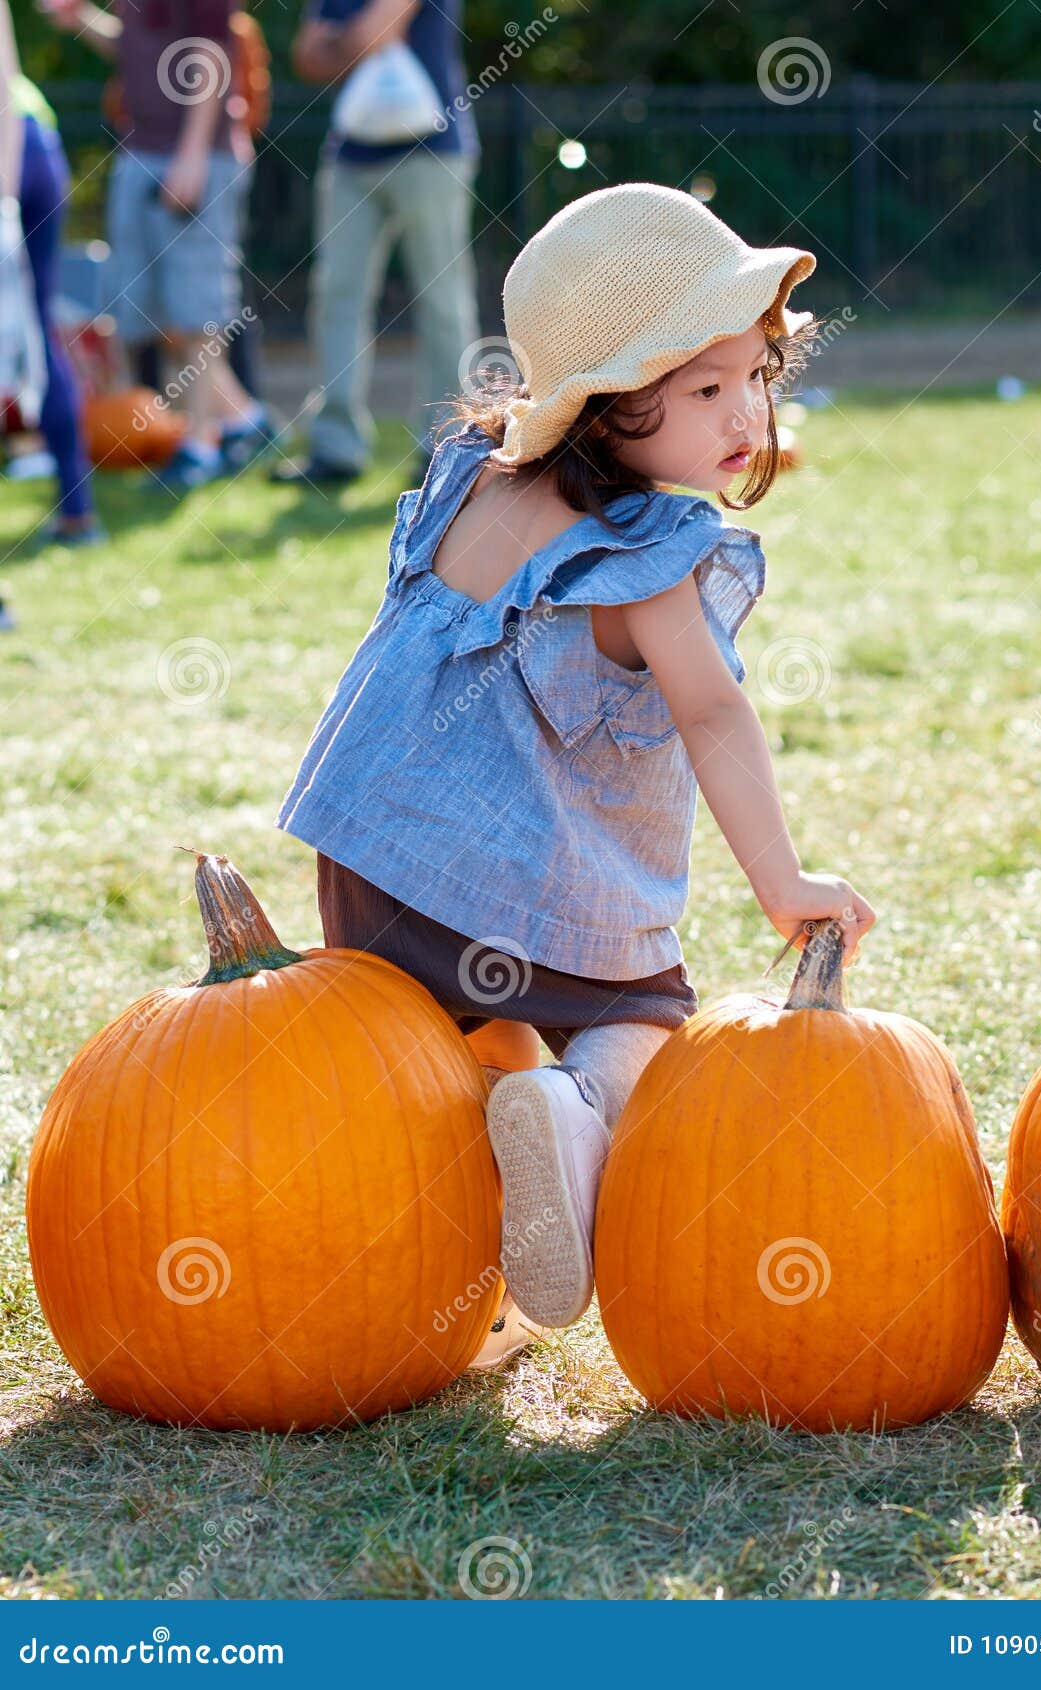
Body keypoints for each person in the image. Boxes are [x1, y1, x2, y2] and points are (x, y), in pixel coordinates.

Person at [273, 183, 877, 1369]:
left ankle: (452, 1278)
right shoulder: (647, 550)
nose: (742, 412)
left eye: (754, 373)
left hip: (369, 854)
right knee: (641, 1018)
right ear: (603, 410)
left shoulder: (470, 477)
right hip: (514, 876)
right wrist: (783, 880)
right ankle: (583, 1113)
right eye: (701, 389)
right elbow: (712, 713)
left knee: (442, 1066)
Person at [44, 0, 270, 492]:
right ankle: (247, 422)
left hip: (197, 156)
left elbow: (212, 53)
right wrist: (78, 16)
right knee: (148, 312)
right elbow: (128, 45)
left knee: (196, 307)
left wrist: (192, 155)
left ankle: (200, 444)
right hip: (140, 150)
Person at [270, 0, 479, 486]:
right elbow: (307, 61)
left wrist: (338, 41)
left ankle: (445, 448)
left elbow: (363, 38)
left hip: (432, 149)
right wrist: (349, 42)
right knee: (336, 296)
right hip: (350, 155)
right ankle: (336, 449)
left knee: (442, 300)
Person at [1, 0, 103, 551]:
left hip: (11, 158)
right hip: (36, 141)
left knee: (34, 332)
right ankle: (77, 513)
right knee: (39, 330)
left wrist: (4, 205)